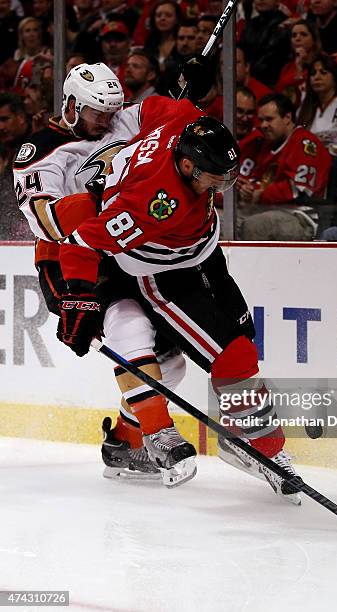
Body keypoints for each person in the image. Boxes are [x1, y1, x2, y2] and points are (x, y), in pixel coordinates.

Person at [55, 104, 302, 504]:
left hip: (202, 254)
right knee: (229, 355)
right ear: (186, 166)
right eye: (213, 180)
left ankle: (246, 440)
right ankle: (258, 446)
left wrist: (194, 74)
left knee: (240, 343)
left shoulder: (183, 121)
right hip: (162, 274)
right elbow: (82, 244)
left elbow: (162, 105)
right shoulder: (156, 202)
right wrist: (77, 299)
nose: (220, 189)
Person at [13, 62, 200, 485]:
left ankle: (124, 444)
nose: (107, 119)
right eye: (98, 111)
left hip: (120, 251)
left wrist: (190, 93)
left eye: (112, 110)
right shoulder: (41, 150)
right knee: (127, 324)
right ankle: (158, 433)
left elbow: (167, 118)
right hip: (67, 262)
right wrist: (102, 205)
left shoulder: (120, 118)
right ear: (73, 105)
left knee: (170, 364)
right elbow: (45, 219)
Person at [236, 93, 331, 242]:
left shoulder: (306, 144)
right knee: (223, 220)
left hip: (300, 216)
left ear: (287, 118)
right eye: (261, 120)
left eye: (269, 119)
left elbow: (297, 190)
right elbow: (259, 178)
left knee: (256, 226)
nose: (263, 125)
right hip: (267, 209)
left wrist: (260, 194)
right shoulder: (268, 145)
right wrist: (248, 189)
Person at [297, 53, 337, 157]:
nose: (317, 77)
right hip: (310, 161)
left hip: (336, 159)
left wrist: (327, 151)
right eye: (313, 73)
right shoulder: (305, 108)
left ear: (335, 77)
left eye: (323, 72)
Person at [275, 19, 321, 109]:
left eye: (303, 34)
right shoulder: (287, 67)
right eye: (294, 35)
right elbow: (278, 93)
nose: (297, 38)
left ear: (314, 39)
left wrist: (299, 70)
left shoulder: (322, 63)